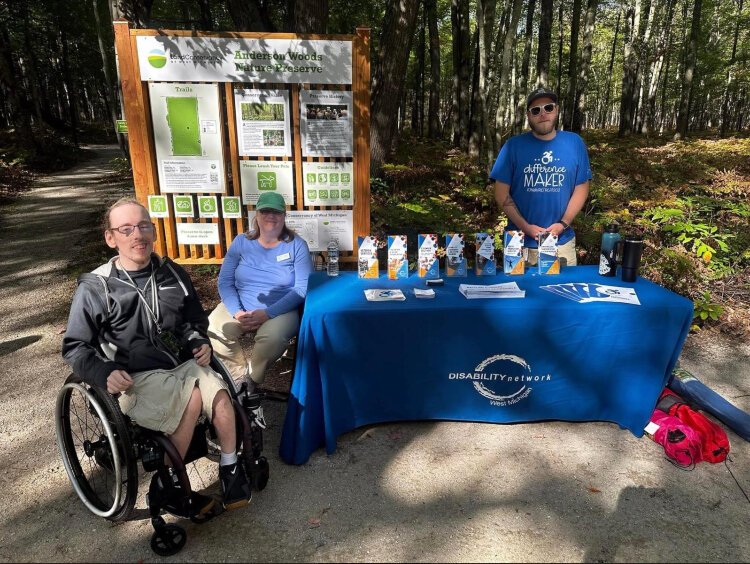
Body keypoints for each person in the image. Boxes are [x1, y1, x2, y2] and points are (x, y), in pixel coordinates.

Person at [62, 197, 251, 516]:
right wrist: (103, 371)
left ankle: (230, 468)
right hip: (135, 378)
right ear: (112, 238)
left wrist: (197, 340)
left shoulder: (171, 272)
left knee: (219, 393)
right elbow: (75, 346)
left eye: (144, 226)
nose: (138, 235)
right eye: (126, 229)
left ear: (153, 231)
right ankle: (165, 486)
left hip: (182, 364)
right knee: (192, 398)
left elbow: (194, 320)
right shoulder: (97, 287)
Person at [208, 191, 312, 402]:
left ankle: (252, 379)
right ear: (256, 214)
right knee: (215, 327)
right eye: (265, 211)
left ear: (284, 216)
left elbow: (302, 288)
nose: (270, 216)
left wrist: (267, 313)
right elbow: (225, 282)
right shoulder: (241, 242)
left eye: (276, 212)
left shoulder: (297, 245)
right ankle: (236, 375)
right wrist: (237, 312)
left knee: (272, 338)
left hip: (280, 309)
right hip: (240, 306)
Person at [490, 87, 592, 266]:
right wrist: (525, 227)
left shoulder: (574, 143)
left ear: (557, 110)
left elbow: (581, 186)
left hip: (562, 244)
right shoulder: (513, 146)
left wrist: (563, 223)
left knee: (565, 292)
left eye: (548, 108)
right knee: (517, 293)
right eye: (536, 110)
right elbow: (501, 194)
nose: (543, 114)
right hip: (519, 244)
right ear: (528, 115)